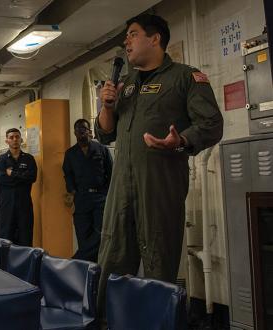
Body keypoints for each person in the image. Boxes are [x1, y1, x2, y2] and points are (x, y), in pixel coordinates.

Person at [94, 14, 223, 319]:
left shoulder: (185, 77)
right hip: (121, 189)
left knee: (158, 266)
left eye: (133, 34)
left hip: (159, 188)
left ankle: (158, 324)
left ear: (155, 39)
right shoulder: (124, 85)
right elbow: (105, 133)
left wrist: (179, 142)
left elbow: (212, 124)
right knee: (110, 261)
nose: (126, 41)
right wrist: (106, 106)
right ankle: (107, 322)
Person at [62, 119, 112, 262]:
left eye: (84, 128)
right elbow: (68, 174)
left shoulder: (102, 149)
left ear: (89, 131)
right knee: (83, 236)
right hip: (81, 199)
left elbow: (111, 173)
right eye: (78, 129)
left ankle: (75, 261)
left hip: (100, 198)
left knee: (100, 234)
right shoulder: (70, 153)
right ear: (74, 132)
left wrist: (106, 194)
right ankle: (86, 271)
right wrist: (72, 191)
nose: (81, 131)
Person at [0, 128, 37, 246]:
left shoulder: (29, 159)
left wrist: (12, 174)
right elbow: (2, 180)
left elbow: (32, 178)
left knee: (26, 236)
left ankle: (26, 264)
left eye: (17, 137)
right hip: (7, 204)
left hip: (24, 204)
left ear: (21, 140)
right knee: (6, 238)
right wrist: (22, 177)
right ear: (6, 141)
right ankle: (4, 264)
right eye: (11, 137)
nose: (15, 139)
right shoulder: (1, 160)